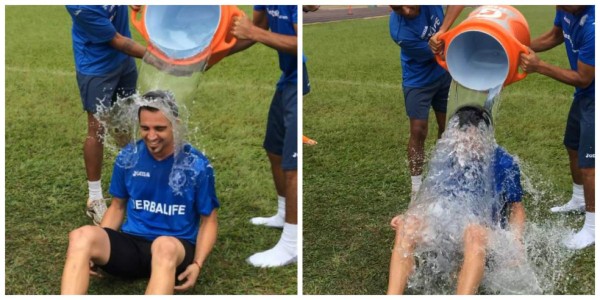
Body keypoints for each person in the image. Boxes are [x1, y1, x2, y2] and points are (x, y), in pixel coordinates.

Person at [60, 91, 219, 294]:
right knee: (81, 236)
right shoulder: (129, 157)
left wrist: (197, 263)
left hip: (175, 247)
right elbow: (117, 206)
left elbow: (209, 220)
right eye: (145, 128)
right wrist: (95, 247)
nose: (151, 136)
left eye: (159, 128)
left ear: (176, 125)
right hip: (133, 245)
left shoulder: (196, 165)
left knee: (164, 246)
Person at [387, 106, 526, 295]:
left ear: (485, 136)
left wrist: (515, 241)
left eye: (473, 136)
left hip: (486, 230)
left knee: (474, 232)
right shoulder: (450, 155)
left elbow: (516, 208)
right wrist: (410, 215)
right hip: (451, 223)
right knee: (407, 226)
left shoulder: (504, 163)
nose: (467, 142)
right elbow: (433, 193)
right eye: (462, 134)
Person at [227, 5, 298, 268]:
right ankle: (283, 213)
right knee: (275, 149)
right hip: (286, 77)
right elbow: (254, 30)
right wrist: (212, 56)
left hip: (297, 77)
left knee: (293, 165)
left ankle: (292, 243)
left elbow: (298, 43)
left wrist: (255, 32)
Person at [519, 6, 595, 249]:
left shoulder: (594, 27)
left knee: (590, 164)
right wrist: (518, 46)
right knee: (572, 146)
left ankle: (593, 228)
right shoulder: (565, 7)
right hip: (585, 95)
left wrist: (539, 66)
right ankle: (578, 199)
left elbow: (584, 77)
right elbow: (556, 35)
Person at [66, 5, 147, 225]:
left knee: (125, 121)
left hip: (123, 62)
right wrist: (155, 56)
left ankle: (133, 183)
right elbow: (117, 40)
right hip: (96, 67)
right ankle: (94, 198)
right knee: (97, 129)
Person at [388, 6, 462, 200]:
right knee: (418, 130)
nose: (406, 10)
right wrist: (444, 38)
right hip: (418, 80)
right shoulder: (399, 31)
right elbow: (438, 51)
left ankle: (442, 175)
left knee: (448, 127)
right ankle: (416, 187)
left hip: (443, 73)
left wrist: (443, 29)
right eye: (398, 8)